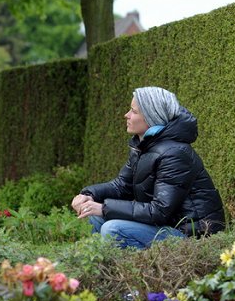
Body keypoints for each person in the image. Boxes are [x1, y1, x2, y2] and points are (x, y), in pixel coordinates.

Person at [71, 86, 224, 249]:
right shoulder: (145, 146)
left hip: (192, 237)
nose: (126, 115)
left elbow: (159, 211)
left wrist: (104, 207)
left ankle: (135, 270)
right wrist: (88, 195)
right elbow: (122, 186)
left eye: (133, 111)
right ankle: (106, 267)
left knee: (112, 228)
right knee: (93, 215)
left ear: (151, 117)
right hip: (166, 226)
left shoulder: (175, 154)